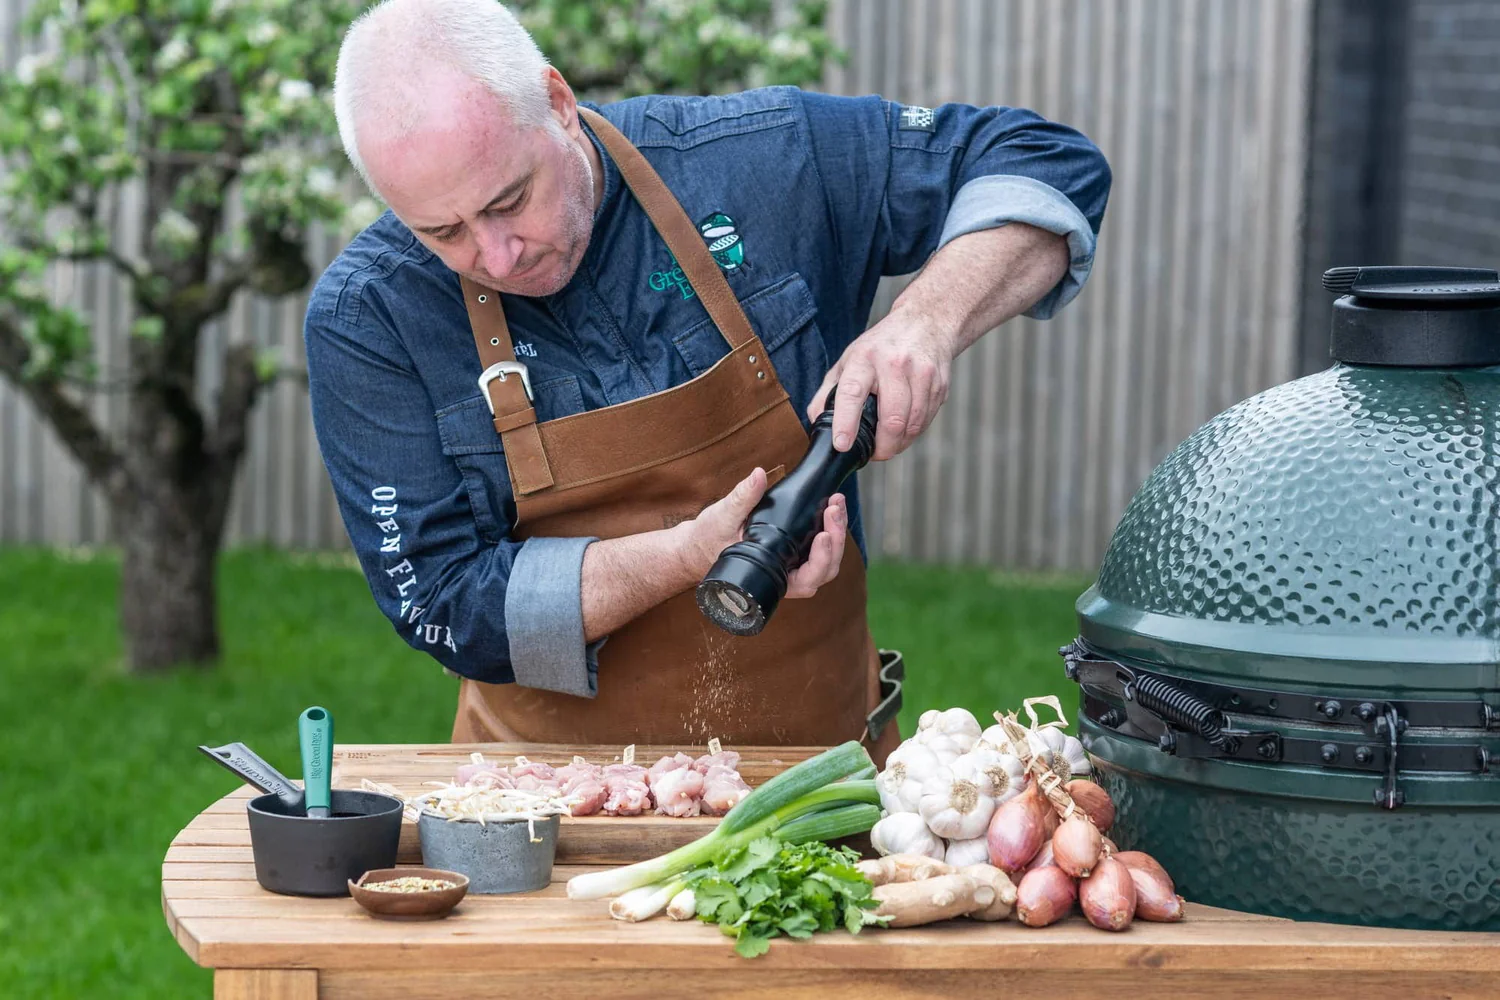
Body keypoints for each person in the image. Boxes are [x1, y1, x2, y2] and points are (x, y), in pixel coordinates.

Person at [306, 0, 1111, 757]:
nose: (499, 255)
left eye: (512, 199)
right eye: (444, 232)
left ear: (557, 102)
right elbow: (445, 603)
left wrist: (926, 321)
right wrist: (685, 556)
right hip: (539, 819)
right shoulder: (368, 317)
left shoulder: (763, 163)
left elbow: (1046, 161)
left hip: (822, 792)